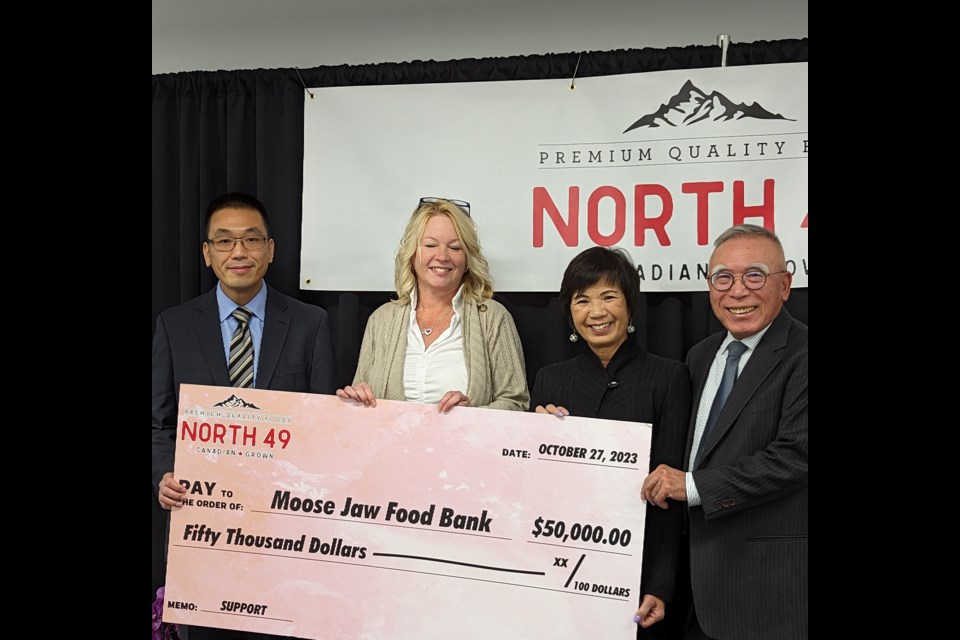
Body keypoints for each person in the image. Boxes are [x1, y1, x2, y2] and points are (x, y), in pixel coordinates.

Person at [152, 191, 337, 640]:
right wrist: (164, 475)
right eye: (224, 241)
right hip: (202, 520)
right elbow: (160, 424)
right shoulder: (175, 326)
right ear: (207, 253)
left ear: (270, 251)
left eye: (252, 240)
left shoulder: (310, 324)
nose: (239, 252)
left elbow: (325, 428)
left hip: (285, 527)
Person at [639, 224, 807, 640]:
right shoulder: (701, 356)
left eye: (754, 275)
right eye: (723, 278)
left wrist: (692, 486)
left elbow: (795, 456)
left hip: (769, 593)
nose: (737, 291)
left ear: (784, 285)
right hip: (696, 590)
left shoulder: (803, 352)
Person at [529, 246, 691, 639]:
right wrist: (536, 443)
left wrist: (660, 583)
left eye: (608, 296)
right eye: (582, 300)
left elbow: (668, 493)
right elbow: (533, 489)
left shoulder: (668, 377)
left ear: (630, 304)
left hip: (636, 570)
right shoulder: (550, 380)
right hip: (559, 566)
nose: (596, 312)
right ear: (569, 312)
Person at [336, 197, 528, 412]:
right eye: (430, 245)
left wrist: (472, 412)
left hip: (465, 445)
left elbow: (516, 402)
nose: (442, 256)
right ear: (411, 254)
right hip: (393, 445)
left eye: (455, 248)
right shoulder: (381, 320)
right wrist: (357, 399)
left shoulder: (491, 317)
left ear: (467, 259)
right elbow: (360, 404)